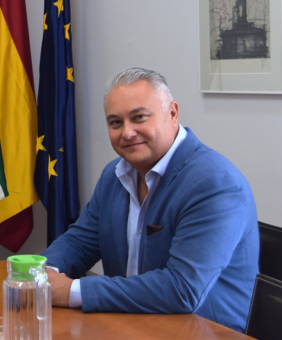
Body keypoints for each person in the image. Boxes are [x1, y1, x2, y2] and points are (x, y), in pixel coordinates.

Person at [41, 67, 258, 332]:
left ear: (173, 113)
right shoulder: (114, 174)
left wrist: (73, 290)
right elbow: (80, 241)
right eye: (115, 123)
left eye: (139, 117)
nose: (127, 133)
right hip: (129, 325)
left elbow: (182, 289)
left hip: (203, 332)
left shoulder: (214, 182)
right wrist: (42, 273)